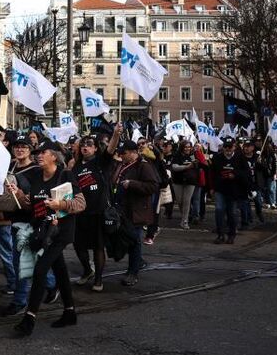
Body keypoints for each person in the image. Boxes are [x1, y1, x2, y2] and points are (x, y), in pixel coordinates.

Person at [13, 140, 86, 337]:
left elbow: (80, 203)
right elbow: (33, 206)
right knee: (60, 270)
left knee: (40, 270)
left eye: (43, 152)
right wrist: (19, 195)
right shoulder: (36, 176)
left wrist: (60, 204)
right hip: (42, 232)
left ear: (54, 155)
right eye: (37, 152)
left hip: (60, 232)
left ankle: (29, 318)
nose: (38, 155)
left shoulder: (65, 175)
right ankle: (70, 312)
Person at [1, 135, 56, 317]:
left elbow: (39, 195)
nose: (20, 149)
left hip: (32, 221)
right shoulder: (10, 167)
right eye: (17, 146)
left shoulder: (36, 170)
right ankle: (51, 284)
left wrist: (22, 193)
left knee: (24, 263)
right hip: (15, 219)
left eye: (23, 146)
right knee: (27, 262)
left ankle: (20, 300)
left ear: (29, 150)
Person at [69, 124, 121, 292]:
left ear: (95, 148)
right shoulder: (75, 167)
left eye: (89, 144)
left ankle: (98, 278)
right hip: (80, 212)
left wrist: (116, 134)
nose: (85, 147)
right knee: (79, 246)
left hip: (98, 212)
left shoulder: (101, 162)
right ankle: (87, 270)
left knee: (98, 247)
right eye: (83, 144)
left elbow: (111, 148)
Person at [113, 140, 159, 286]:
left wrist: (132, 184)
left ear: (133, 152)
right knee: (126, 239)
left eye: (124, 153)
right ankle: (136, 263)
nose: (121, 155)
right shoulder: (123, 165)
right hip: (122, 209)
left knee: (134, 241)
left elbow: (153, 186)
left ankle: (133, 272)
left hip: (136, 211)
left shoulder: (143, 165)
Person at [210, 137, 251, 244]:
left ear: (234, 147)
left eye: (230, 147)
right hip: (220, 189)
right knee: (219, 210)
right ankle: (220, 234)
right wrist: (211, 187)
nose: (228, 149)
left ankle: (231, 234)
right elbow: (212, 173)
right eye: (226, 147)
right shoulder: (217, 157)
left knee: (232, 212)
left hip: (233, 190)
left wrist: (235, 175)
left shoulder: (240, 157)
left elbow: (246, 173)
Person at [170, 140, 200, 230]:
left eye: (189, 147)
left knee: (187, 201)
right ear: (182, 147)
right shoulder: (177, 155)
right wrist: (186, 167)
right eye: (186, 147)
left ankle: (184, 221)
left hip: (190, 181)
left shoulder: (193, 155)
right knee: (180, 201)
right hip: (178, 180)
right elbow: (174, 167)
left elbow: (199, 165)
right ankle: (185, 216)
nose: (187, 148)